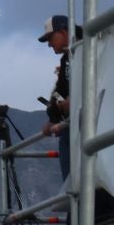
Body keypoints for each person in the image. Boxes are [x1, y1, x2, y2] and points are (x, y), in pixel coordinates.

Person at [38, 15, 73, 179]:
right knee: (72, 183)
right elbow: (60, 89)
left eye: (51, 38)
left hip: (82, 126)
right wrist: (53, 118)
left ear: (64, 32)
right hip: (69, 127)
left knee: (79, 183)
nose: (50, 44)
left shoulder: (86, 49)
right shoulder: (67, 58)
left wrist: (76, 99)